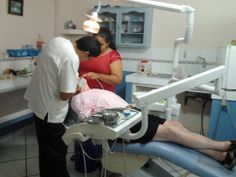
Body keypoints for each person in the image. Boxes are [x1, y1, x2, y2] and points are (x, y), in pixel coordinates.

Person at [71, 79, 236, 171]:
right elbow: (87, 120)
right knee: (172, 132)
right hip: (123, 126)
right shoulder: (77, 100)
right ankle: (224, 146)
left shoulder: (95, 89)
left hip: (132, 113)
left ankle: (220, 157)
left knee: (174, 125)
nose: (80, 77)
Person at [24, 36, 101, 177]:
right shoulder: (72, 58)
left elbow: (55, 72)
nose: (87, 61)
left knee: (46, 149)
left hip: (38, 103)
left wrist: (72, 80)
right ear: (87, 53)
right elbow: (65, 95)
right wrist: (76, 87)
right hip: (49, 111)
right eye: (89, 59)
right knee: (57, 151)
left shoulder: (57, 41)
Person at [79, 27, 122, 92]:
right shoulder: (87, 50)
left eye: (101, 45)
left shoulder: (113, 56)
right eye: (95, 43)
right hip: (81, 93)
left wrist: (98, 76)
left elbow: (117, 79)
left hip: (101, 96)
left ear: (107, 43)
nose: (97, 47)